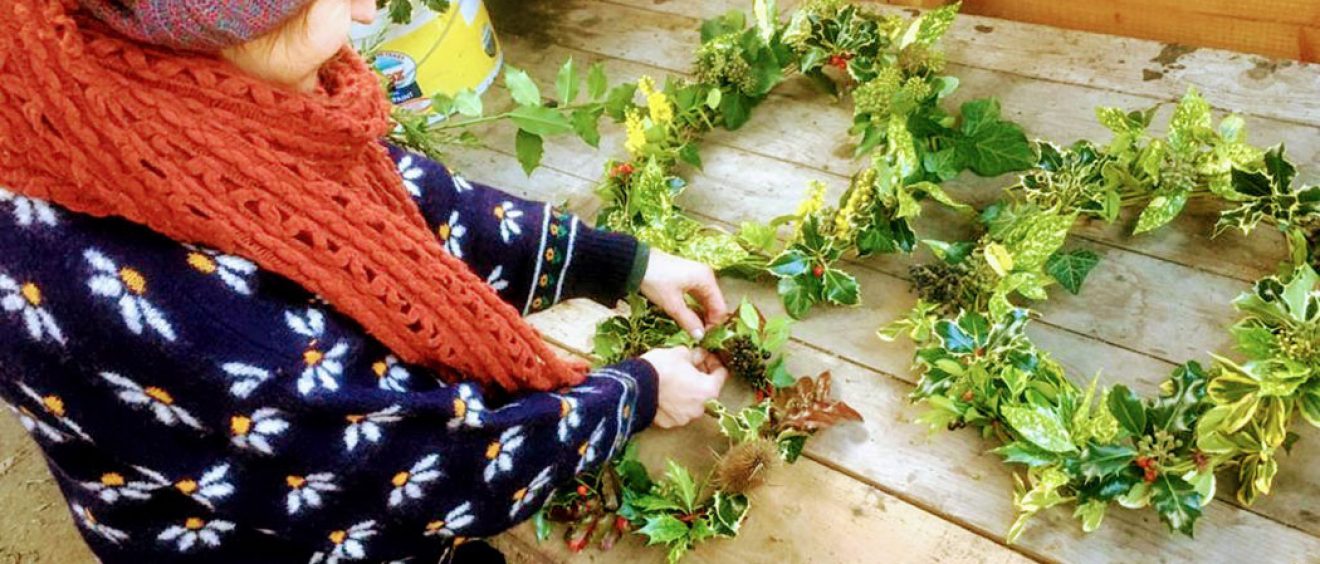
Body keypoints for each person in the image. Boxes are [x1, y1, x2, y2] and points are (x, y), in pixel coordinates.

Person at [0, 0, 730, 562]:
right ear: (217, 22)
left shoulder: (182, 102)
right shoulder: (160, 297)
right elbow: (423, 465)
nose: (367, 12)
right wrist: (634, 396)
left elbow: (407, 202)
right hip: (263, 532)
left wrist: (618, 262)